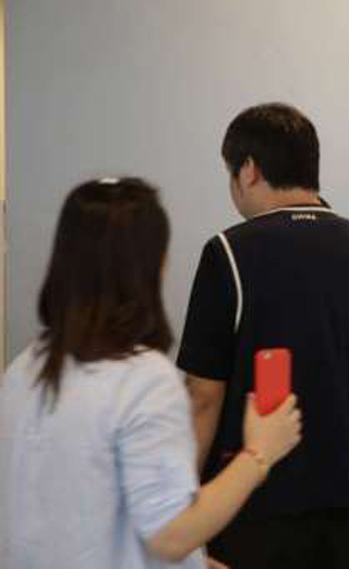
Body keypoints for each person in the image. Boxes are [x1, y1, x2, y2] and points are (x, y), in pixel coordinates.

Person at [0, 178, 301, 569]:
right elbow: (171, 534)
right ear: (149, 265)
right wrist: (259, 453)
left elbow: (82, 507)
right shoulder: (143, 380)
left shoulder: (24, 370)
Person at [176, 103, 349, 569]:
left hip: (248, 513)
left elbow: (202, 396)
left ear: (248, 170)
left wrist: (186, 514)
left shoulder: (227, 254)